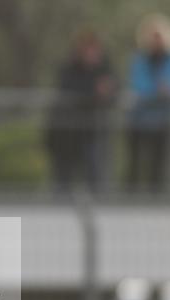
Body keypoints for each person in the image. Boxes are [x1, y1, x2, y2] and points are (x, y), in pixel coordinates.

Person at [125, 13, 170, 193]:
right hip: (140, 120)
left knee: (161, 165)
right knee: (136, 164)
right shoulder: (141, 60)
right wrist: (157, 91)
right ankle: (132, 197)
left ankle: (159, 196)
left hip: (165, 121)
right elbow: (138, 85)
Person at [45, 30, 116, 194]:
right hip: (67, 134)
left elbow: (114, 90)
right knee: (63, 176)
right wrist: (94, 92)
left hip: (94, 133)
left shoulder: (105, 69)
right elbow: (69, 92)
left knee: (95, 174)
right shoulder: (68, 69)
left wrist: (108, 91)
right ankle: (58, 209)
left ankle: (97, 206)